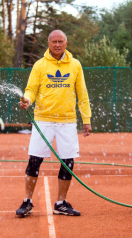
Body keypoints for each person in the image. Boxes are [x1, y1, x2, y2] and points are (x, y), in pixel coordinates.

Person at [16, 30, 92, 217]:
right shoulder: (40, 65)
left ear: (66, 43)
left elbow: (82, 93)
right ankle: (27, 201)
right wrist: (27, 99)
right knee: (34, 160)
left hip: (67, 121)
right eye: (54, 41)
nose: (57, 45)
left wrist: (86, 119)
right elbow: (31, 89)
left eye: (60, 41)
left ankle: (61, 203)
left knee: (68, 162)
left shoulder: (75, 65)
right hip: (43, 120)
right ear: (48, 44)